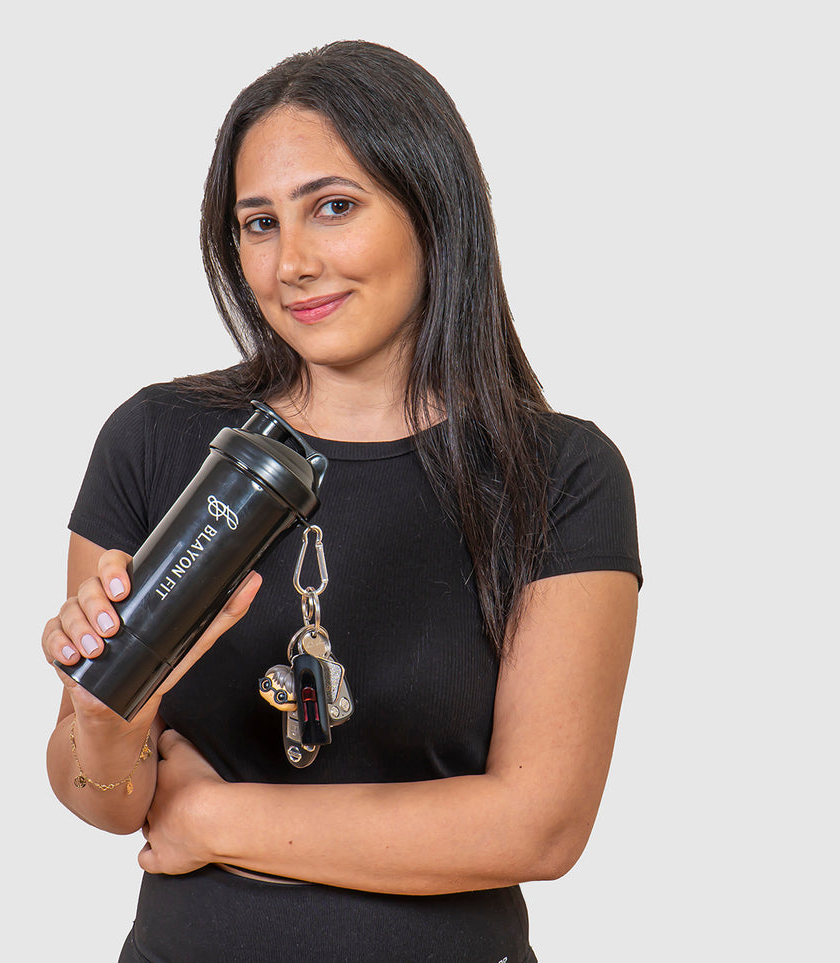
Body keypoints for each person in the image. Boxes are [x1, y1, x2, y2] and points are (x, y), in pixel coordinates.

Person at [42, 40, 641, 962]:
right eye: (257, 223)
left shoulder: (557, 472)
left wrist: (213, 816)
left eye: (333, 207)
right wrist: (103, 720)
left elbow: (538, 824)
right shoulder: (159, 439)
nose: (292, 264)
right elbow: (105, 801)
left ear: (432, 211)